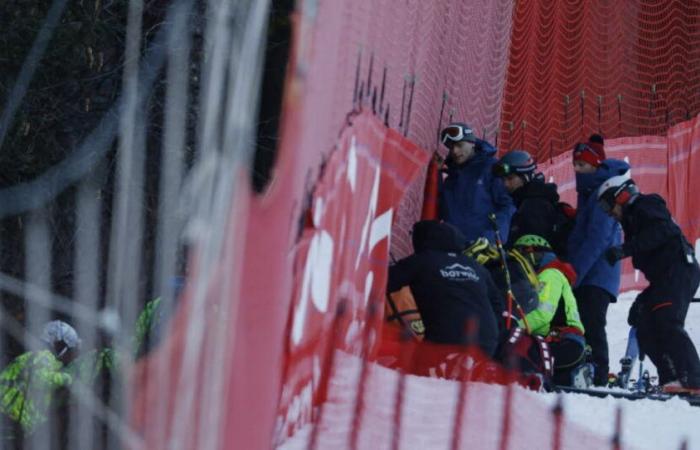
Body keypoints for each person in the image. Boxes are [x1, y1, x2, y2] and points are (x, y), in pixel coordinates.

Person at [599, 171, 700, 394]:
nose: (609, 214)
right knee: (643, 320)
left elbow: (663, 231)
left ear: (621, 196)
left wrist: (625, 249)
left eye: (608, 206)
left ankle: (693, 379)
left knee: (667, 320)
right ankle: (672, 378)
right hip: (664, 277)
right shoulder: (631, 220)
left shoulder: (646, 204)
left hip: (679, 269)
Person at [387, 220, 504, 356]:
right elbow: (498, 305)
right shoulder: (477, 267)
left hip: (445, 340)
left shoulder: (422, 260)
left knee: (412, 367)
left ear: (423, 238)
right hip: (487, 342)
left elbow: (384, 281)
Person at [567, 137, 625, 385]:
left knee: (592, 322)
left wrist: (574, 272)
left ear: (596, 165)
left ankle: (600, 375)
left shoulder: (602, 192)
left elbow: (597, 239)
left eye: (583, 165)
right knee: (582, 321)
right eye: (575, 165)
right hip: (590, 273)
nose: (577, 171)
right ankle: (585, 369)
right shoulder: (589, 192)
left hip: (597, 274)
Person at [512, 235, 588, 387]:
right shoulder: (545, 275)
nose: (521, 263)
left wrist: (512, 328)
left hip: (564, 343)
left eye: (523, 257)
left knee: (514, 354)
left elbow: (542, 315)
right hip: (562, 342)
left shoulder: (550, 274)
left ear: (534, 254)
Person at [437, 123, 514, 244]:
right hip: (453, 247)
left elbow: (508, 206)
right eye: (451, 147)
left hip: (483, 248)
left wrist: (491, 239)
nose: (455, 151)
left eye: (459, 145)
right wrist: (436, 175)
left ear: (472, 143)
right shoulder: (451, 178)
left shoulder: (491, 168)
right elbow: (440, 209)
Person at [0, 321, 80, 434]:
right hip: (7, 417)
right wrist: (68, 378)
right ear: (59, 344)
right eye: (71, 349)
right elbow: (40, 378)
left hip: (12, 423)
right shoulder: (44, 356)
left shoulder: (33, 357)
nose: (71, 356)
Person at [492, 150, 571, 256]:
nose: (506, 184)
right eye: (503, 179)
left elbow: (533, 254)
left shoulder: (534, 207)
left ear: (525, 177)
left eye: (510, 178)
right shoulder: (525, 201)